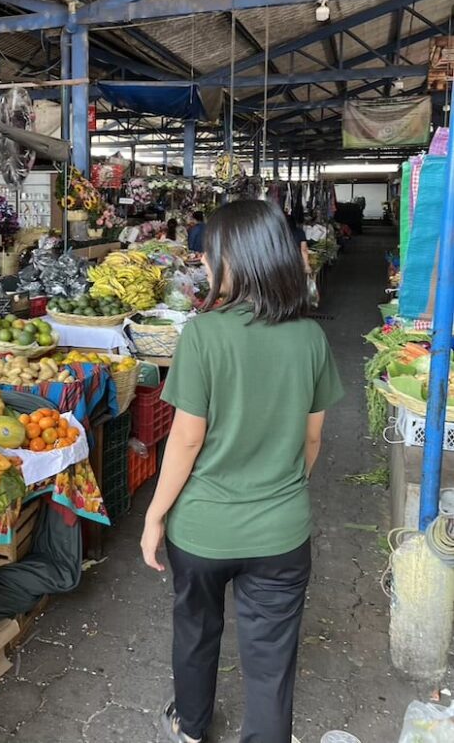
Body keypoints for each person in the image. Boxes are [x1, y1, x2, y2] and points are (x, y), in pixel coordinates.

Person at [141, 200, 343, 743]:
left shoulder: (204, 334)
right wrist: (279, 489)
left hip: (203, 530)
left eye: (210, 256)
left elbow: (185, 439)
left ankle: (191, 726)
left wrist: (154, 517)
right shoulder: (311, 339)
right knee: (272, 660)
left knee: (196, 630)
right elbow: (313, 438)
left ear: (236, 262)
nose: (204, 266)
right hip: (281, 532)